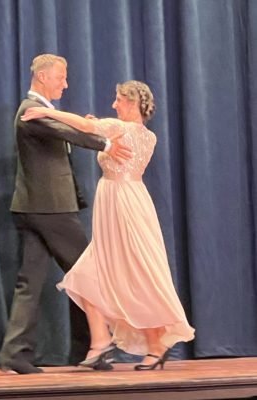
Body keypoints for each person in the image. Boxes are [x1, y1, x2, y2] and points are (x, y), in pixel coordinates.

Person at [21, 80, 195, 371]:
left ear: (131, 102)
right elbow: (94, 129)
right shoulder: (147, 135)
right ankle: (101, 342)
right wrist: (96, 126)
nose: (114, 105)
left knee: (136, 271)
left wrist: (47, 112)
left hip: (122, 205)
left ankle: (153, 345)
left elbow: (86, 127)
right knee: (90, 274)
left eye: (118, 100)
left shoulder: (119, 128)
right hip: (130, 199)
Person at [0, 54, 132, 375]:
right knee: (88, 272)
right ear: (43, 77)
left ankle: (15, 354)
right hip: (51, 209)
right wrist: (106, 144)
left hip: (35, 208)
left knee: (30, 283)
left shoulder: (41, 111)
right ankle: (97, 346)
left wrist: (90, 127)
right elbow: (67, 133)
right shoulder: (31, 110)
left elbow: (63, 129)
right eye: (61, 77)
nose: (66, 83)